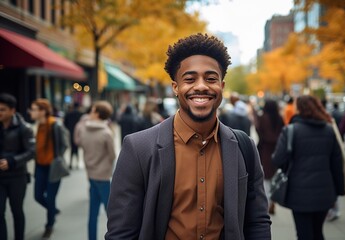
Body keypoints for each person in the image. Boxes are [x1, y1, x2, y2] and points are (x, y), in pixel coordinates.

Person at [105, 33, 271, 239]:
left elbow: (257, 222)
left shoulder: (243, 147)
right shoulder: (139, 148)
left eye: (211, 78)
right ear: (176, 87)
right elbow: (121, 233)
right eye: (190, 79)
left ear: (222, 86)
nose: (201, 86)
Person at [272, 95, 345, 240]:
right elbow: (337, 163)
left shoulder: (291, 130)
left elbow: (278, 159)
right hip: (325, 191)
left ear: (298, 108)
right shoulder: (329, 131)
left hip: (299, 193)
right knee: (318, 232)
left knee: (304, 234)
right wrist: (338, 190)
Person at [74, 101, 116, 240]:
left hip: (90, 174)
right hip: (103, 176)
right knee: (112, 215)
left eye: (92, 111)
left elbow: (77, 141)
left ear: (97, 114)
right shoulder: (106, 132)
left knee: (93, 213)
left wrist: (81, 122)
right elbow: (112, 155)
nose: (89, 113)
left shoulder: (84, 128)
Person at [28, 98, 67, 239]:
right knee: (37, 196)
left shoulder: (55, 125)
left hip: (53, 167)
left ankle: (49, 224)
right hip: (40, 166)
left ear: (42, 111)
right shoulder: (36, 126)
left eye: (33, 109)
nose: (30, 112)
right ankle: (53, 211)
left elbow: (64, 144)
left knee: (50, 198)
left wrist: (58, 158)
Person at [0, 93, 35, 240]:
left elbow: (32, 151)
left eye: (2, 109)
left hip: (17, 177)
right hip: (0, 178)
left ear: (12, 110)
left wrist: (12, 161)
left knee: (17, 211)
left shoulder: (24, 128)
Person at [253, 99, 284, 214]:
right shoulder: (279, 118)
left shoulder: (263, 118)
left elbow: (259, 132)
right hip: (277, 149)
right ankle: (272, 202)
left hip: (265, 149)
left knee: (266, 178)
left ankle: (267, 203)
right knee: (274, 178)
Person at [64, 102, 83, 169]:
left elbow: (65, 124)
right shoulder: (80, 114)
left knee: (72, 148)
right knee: (76, 148)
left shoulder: (68, 114)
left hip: (70, 133)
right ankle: (77, 163)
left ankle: (71, 163)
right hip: (78, 134)